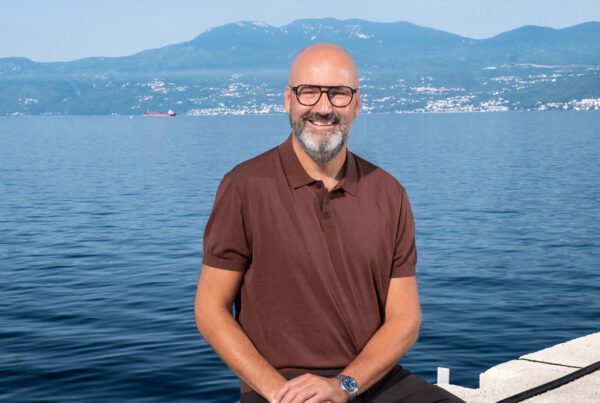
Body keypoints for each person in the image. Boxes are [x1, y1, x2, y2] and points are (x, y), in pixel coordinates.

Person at [195, 43, 463, 403]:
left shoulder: (388, 193)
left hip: (369, 380)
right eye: (309, 92)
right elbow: (210, 309)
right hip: (281, 385)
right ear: (288, 99)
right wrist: (278, 392)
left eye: (338, 93)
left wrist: (343, 384)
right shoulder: (244, 187)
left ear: (357, 103)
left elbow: (405, 318)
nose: (323, 108)